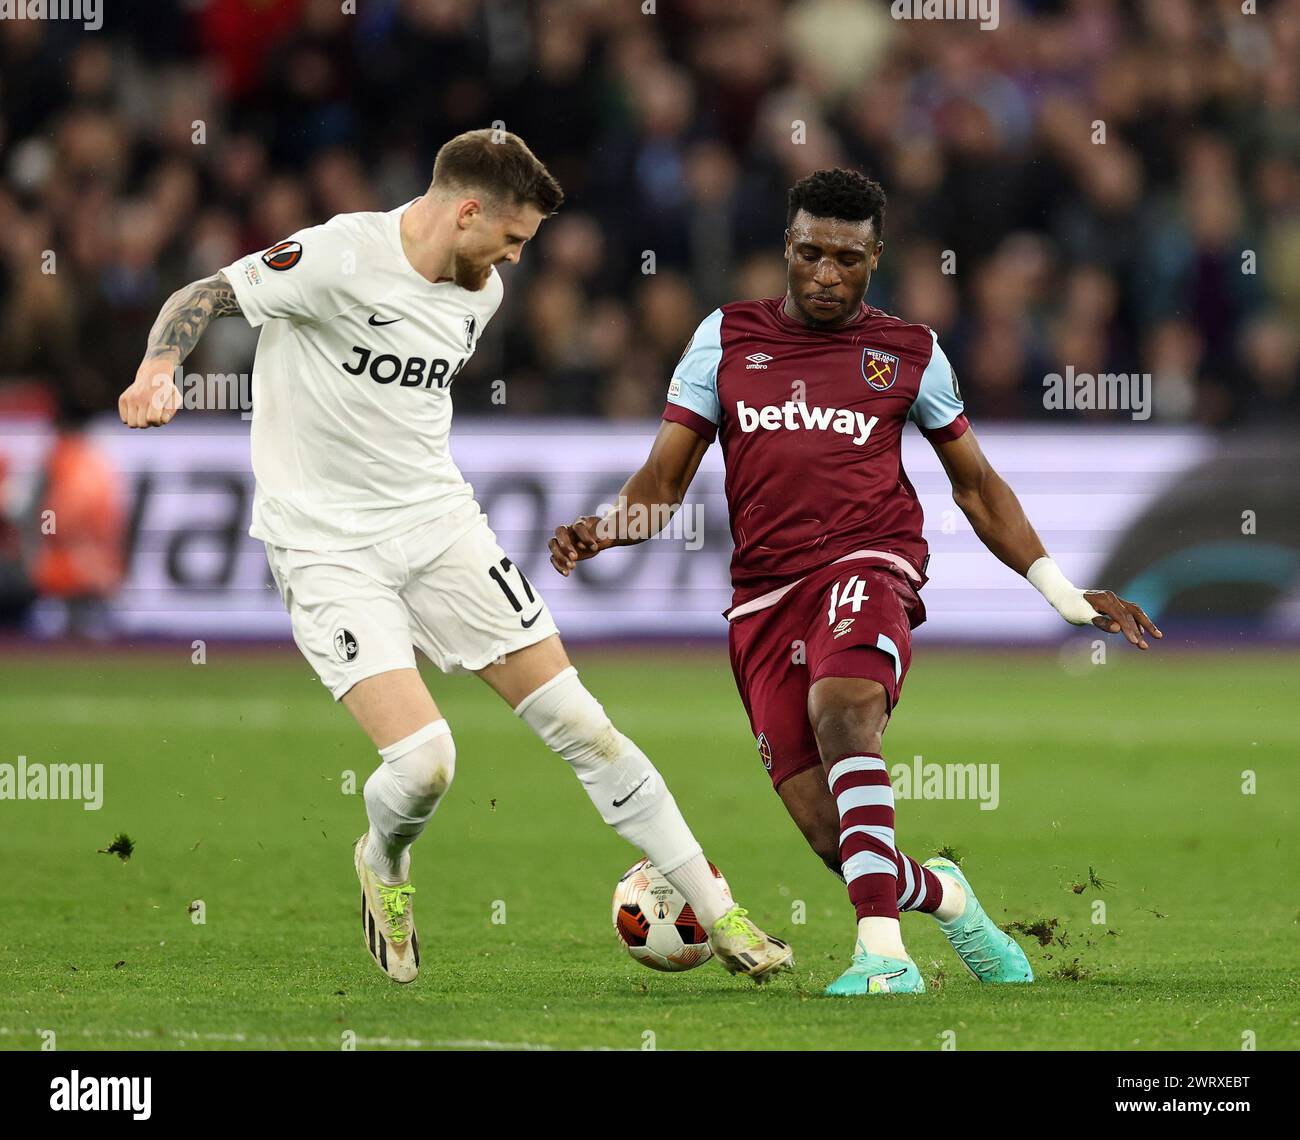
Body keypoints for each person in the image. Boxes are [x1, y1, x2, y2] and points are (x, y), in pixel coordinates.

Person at [117, 128, 793, 986]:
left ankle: (722, 912)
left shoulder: (482, 293)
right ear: (467, 210)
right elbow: (204, 293)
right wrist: (157, 368)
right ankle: (384, 862)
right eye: (512, 238)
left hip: (440, 527)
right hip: (327, 546)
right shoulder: (337, 256)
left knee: (584, 724)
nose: (515, 258)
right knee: (427, 763)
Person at [550, 168, 1161, 996]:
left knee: (844, 712)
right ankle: (943, 893)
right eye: (810, 255)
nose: (826, 275)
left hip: (868, 564)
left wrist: (1062, 593)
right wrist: (603, 528)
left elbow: (976, 486)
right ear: (787, 251)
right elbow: (662, 482)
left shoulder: (909, 352)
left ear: (877, 257)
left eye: (847, 258)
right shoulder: (725, 339)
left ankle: (884, 958)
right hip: (763, 602)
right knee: (836, 840)